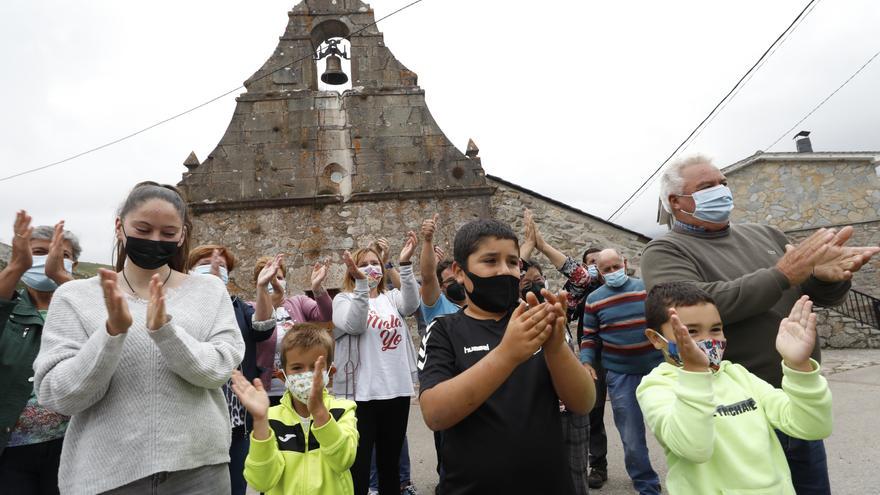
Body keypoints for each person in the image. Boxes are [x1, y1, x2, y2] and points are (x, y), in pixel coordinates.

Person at [642, 154, 879, 494]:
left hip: (792, 395)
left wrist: (827, 279)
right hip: (735, 409)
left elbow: (807, 294)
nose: (721, 191)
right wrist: (782, 274)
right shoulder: (665, 250)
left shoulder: (765, 233)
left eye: (723, 183)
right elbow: (691, 310)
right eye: (707, 186)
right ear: (676, 202)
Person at [33, 182, 245, 494]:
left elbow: (217, 371)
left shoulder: (210, 291)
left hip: (199, 471)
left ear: (182, 235)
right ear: (120, 227)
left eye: (168, 233)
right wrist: (110, 334)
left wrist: (166, 332)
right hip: (108, 474)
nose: (154, 240)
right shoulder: (74, 297)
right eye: (143, 229)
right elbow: (59, 396)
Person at [417, 218, 594, 494]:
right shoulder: (443, 330)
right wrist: (507, 354)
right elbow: (435, 414)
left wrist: (557, 346)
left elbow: (583, 402)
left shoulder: (538, 319)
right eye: (490, 261)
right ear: (459, 272)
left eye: (513, 263)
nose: (505, 271)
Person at [637, 282, 833, 494]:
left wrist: (799, 367)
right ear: (656, 339)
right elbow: (693, 448)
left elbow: (812, 427)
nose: (708, 340)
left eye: (716, 329)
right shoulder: (656, 386)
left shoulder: (738, 375)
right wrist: (695, 372)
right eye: (691, 331)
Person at [522, 209, 609, 489]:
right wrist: (525, 247)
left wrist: (543, 245)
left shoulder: (558, 305)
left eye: (537, 280)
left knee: (574, 480)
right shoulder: (509, 312)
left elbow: (582, 279)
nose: (533, 285)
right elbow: (509, 276)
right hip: (533, 411)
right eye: (524, 282)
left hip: (570, 408)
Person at [332, 233, 420, 495]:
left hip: (397, 390)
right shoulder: (342, 300)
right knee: (359, 467)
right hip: (362, 395)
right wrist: (361, 286)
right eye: (365, 263)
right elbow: (354, 325)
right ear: (353, 269)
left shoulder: (391, 298)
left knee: (389, 465)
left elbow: (413, 304)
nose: (371, 267)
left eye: (375, 263)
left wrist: (404, 265)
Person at [187, 245, 278, 495]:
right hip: (199, 421)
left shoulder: (238, 306)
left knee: (239, 486)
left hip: (237, 423)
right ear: (189, 269)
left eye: (224, 266)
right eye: (206, 262)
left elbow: (263, 328)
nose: (216, 267)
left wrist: (261, 288)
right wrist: (210, 293)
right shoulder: (183, 307)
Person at [0, 213, 80, 494]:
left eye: (60, 254)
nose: (48, 260)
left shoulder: (82, 308)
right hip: (12, 453)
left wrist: (62, 278)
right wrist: (14, 268)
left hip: (71, 447)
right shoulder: (8, 307)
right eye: (39, 253)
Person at [232, 325, 358, 495]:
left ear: (330, 372)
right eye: (297, 368)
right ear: (283, 376)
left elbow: (343, 460)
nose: (308, 375)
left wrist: (320, 412)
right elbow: (262, 481)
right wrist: (261, 421)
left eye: (316, 367)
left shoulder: (343, 410)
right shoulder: (272, 419)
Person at [581, 248, 662, 495]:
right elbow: (589, 337)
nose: (613, 272)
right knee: (630, 435)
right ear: (600, 273)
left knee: (675, 426)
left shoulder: (646, 289)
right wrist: (586, 362)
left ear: (624, 263)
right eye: (606, 270)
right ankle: (646, 485)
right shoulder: (594, 300)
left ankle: (689, 480)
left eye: (616, 267)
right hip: (620, 374)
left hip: (659, 370)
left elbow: (665, 323)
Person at [253, 255, 333, 406]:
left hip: (302, 385)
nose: (274, 281)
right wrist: (269, 301)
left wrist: (317, 288)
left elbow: (326, 314)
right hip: (266, 391)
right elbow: (259, 328)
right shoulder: (250, 308)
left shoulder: (298, 301)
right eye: (269, 277)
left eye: (278, 277)